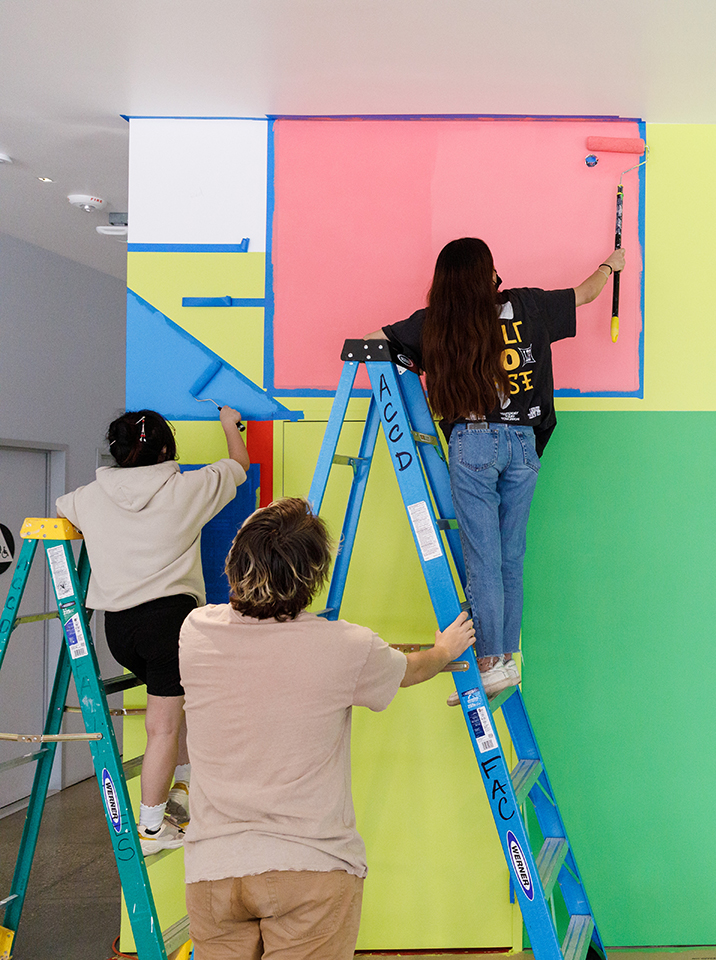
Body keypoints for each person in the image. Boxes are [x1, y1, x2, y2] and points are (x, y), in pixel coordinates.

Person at [178, 497, 474, 960]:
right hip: (310, 868)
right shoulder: (346, 648)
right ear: (312, 577)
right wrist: (443, 649)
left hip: (213, 872)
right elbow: (411, 670)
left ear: (235, 560)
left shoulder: (194, 631)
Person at [365, 238, 625, 703]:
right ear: (488, 275)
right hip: (524, 444)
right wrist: (611, 264)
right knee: (509, 558)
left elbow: (382, 347)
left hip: (475, 443)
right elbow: (585, 294)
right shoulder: (526, 305)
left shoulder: (437, 324)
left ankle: (490, 664)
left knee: (483, 559)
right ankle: (504, 662)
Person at [56, 406, 249, 854]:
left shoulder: (89, 495)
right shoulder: (188, 488)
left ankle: (179, 793)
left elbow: (63, 515)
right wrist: (229, 426)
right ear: (166, 449)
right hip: (169, 625)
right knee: (163, 727)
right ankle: (149, 830)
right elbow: (238, 464)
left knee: (173, 711)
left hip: (117, 630)